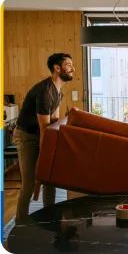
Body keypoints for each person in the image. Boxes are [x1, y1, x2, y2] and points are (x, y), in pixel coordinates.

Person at [13, 53, 75, 224]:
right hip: (26, 137)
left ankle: (50, 217)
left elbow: (53, 123)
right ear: (57, 68)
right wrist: (44, 157)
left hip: (40, 134)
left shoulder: (58, 92)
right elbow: (44, 130)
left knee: (49, 178)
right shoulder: (45, 92)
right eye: (68, 65)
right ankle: (21, 223)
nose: (72, 68)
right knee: (30, 183)